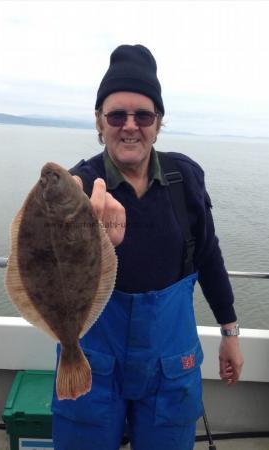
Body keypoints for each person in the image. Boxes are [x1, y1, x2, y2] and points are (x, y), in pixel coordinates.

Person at [51, 44, 244, 450]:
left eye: (144, 115)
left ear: (158, 123)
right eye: (117, 115)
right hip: (93, 362)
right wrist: (90, 242)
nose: (130, 126)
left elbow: (208, 256)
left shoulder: (185, 178)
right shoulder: (77, 188)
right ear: (99, 123)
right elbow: (46, 275)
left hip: (170, 363)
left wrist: (229, 331)